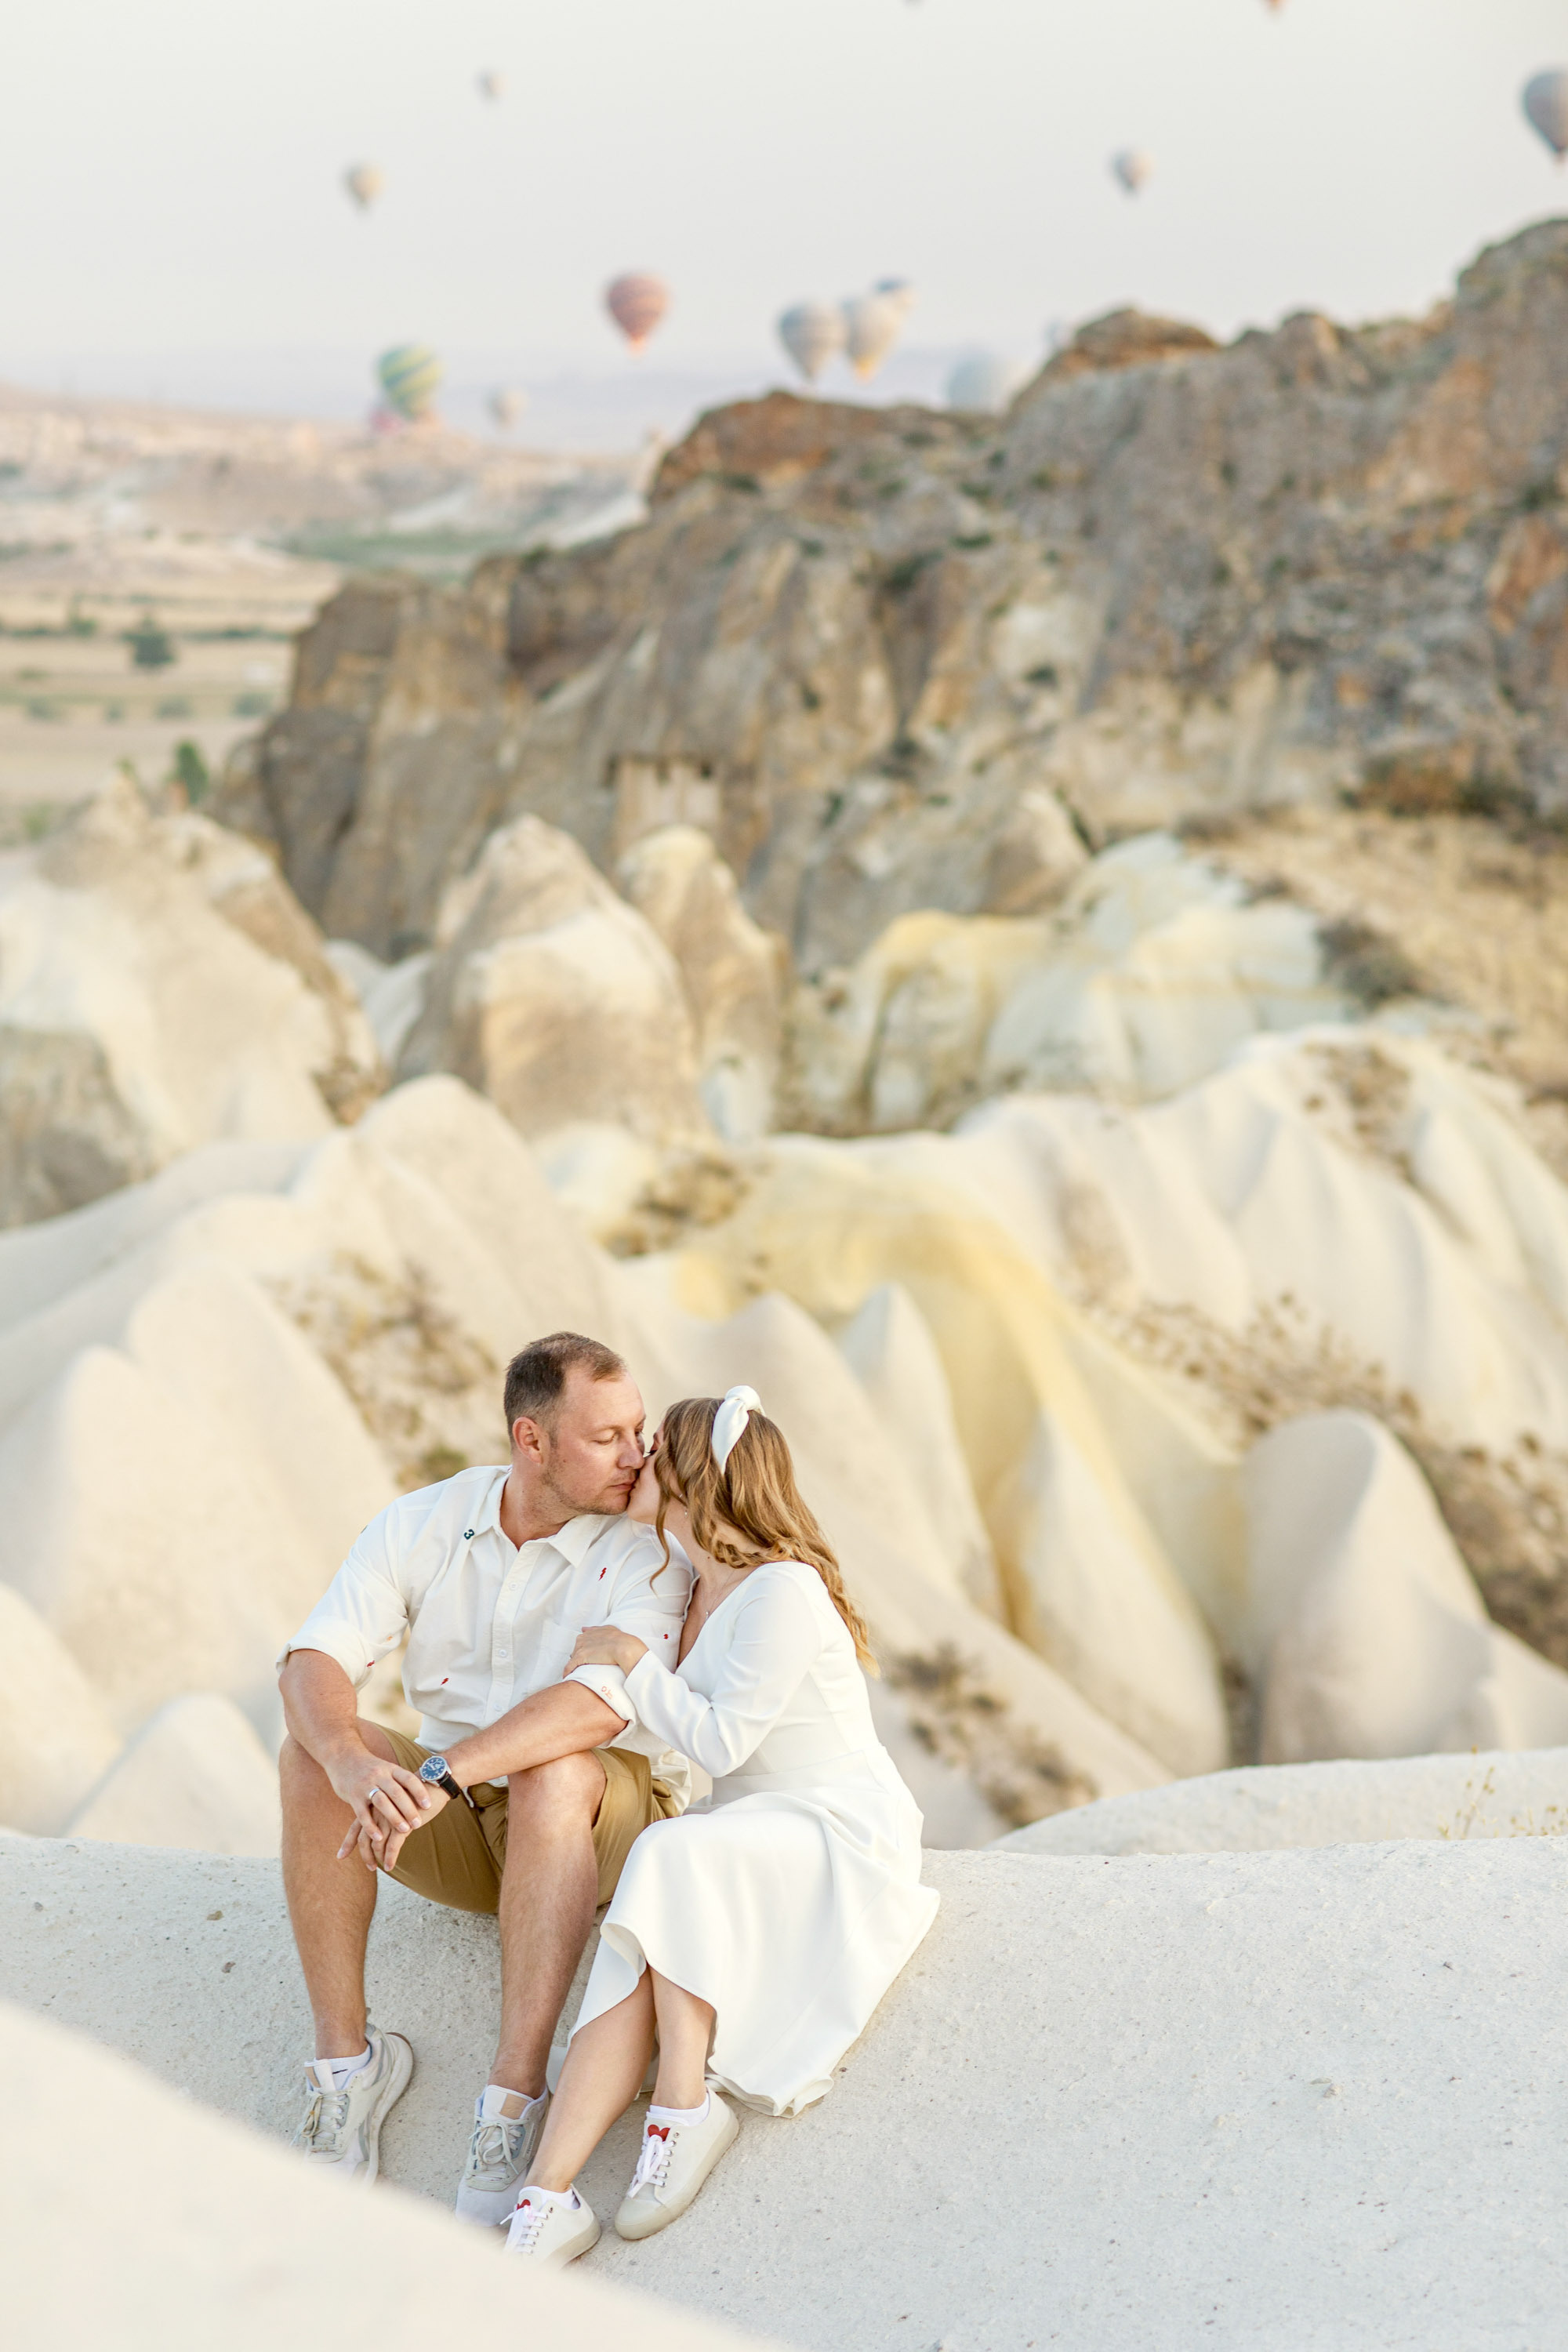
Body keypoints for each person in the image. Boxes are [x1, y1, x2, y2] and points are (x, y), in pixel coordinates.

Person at [503, 1385, 939, 2267]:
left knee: (669, 1853)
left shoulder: (784, 1589)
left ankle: (683, 2105)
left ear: (695, 1474)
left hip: (833, 1827)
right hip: (745, 1827)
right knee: (632, 1947)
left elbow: (722, 1735)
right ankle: (544, 2202)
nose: (636, 1461)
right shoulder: (689, 1584)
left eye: (654, 1449)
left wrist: (630, 1661)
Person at [276, 1330, 692, 2224]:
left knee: (553, 1770)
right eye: (607, 1437)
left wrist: (443, 1770)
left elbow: (598, 1705)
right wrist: (354, 1763)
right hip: (462, 1825)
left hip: (604, 1819)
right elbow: (310, 1660)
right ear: (530, 1440)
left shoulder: (649, 1547)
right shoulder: (422, 1521)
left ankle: (513, 2098)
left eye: (638, 1430)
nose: (637, 1455)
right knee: (309, 1754)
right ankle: (347, 2069)